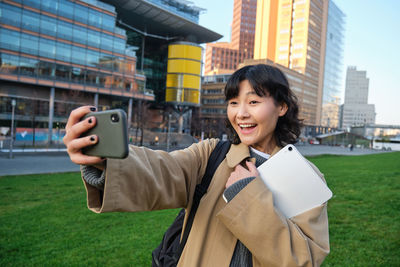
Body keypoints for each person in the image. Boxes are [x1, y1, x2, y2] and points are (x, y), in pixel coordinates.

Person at [63, 64, 330, 266]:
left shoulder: (306, 177)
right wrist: (107, 161)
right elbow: (161, 171)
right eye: (233, 102)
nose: (241, 113)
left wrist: (246, 198)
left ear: (281, 107)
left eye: (254, 102)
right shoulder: (211, 154)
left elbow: (303, 259)